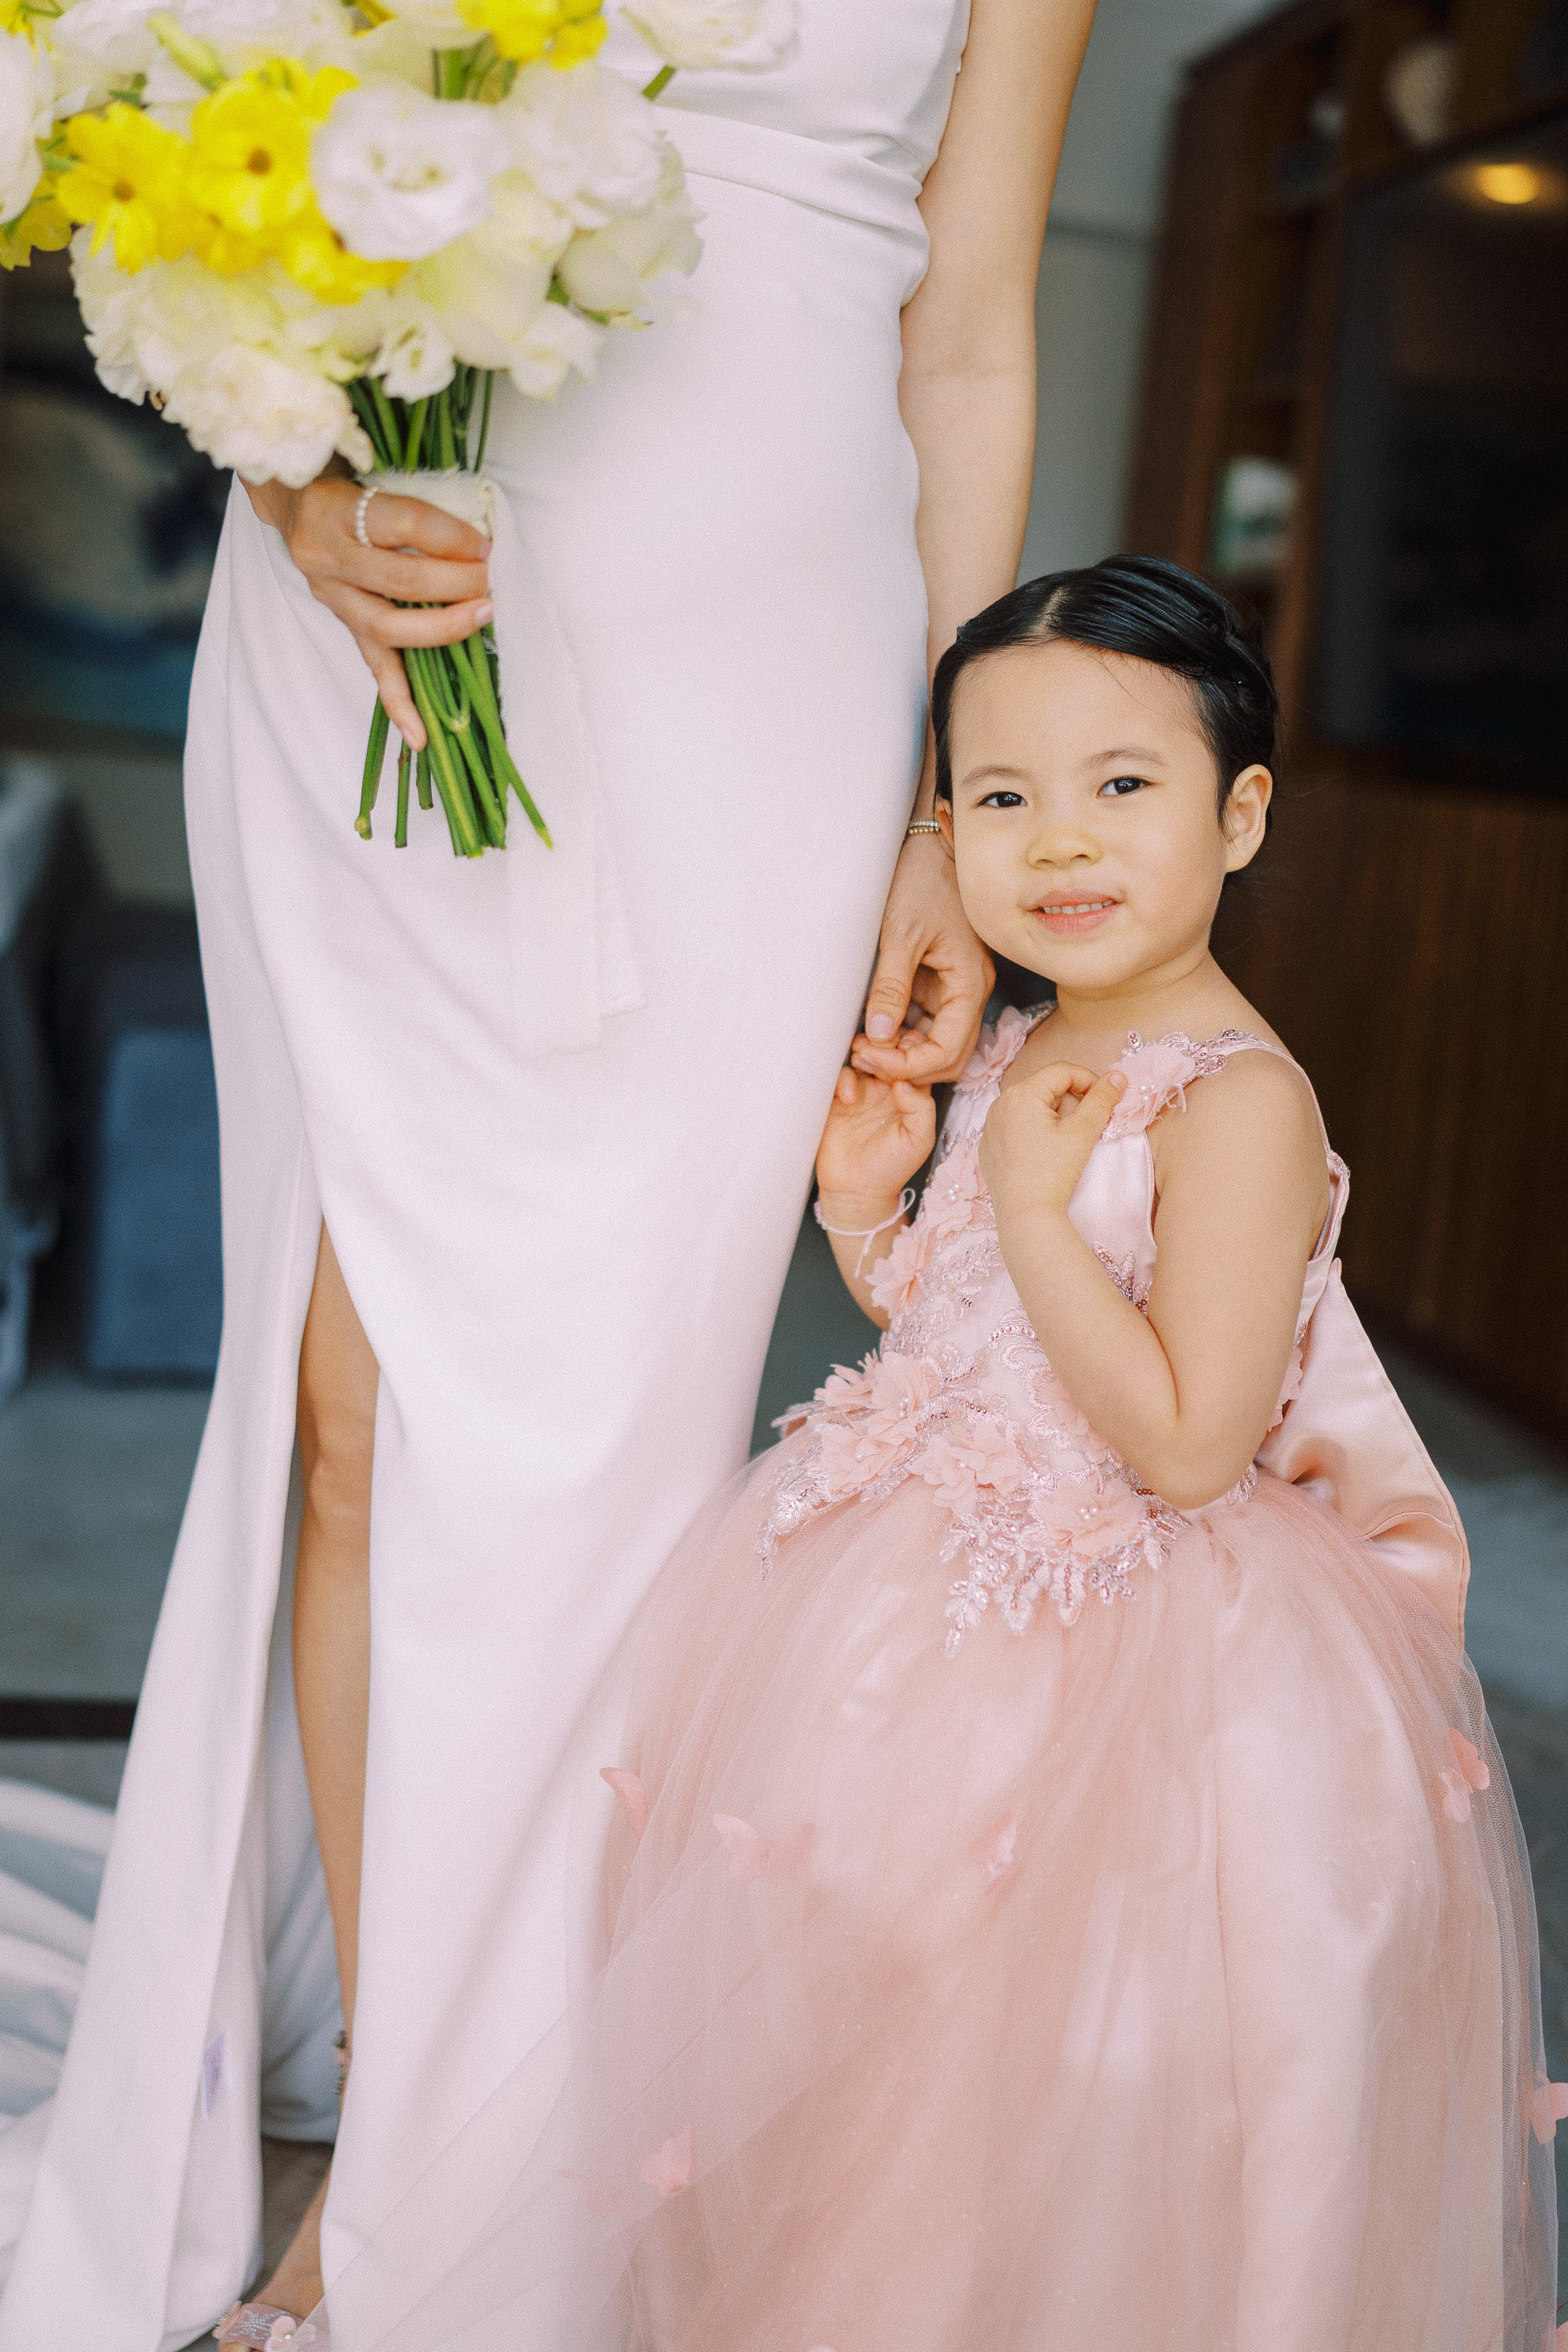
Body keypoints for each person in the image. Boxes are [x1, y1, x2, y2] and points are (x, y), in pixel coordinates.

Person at [0, 2, 1103, 2343]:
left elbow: (976, 331)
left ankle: (469, 2177)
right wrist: (303, 487)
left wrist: (942, 790)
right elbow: (246, 175)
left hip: (767, 675)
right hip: (381, 606)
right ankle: (404, 2123)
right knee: (347, 1422)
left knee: (602, 1458)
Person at [309, 556, 1555, 2350]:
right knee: (871, 2037)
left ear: (1242, 812)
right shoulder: (1028, 1043)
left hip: (1139, 1664)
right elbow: (973, 1330)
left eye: (1123, 786)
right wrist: (872, 1218)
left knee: (1061, 2062)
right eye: (1000, 795)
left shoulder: (1239, 1100)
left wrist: (1039, 1211)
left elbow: (1193, 1439)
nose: (1060, 840)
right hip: (920, 1618)